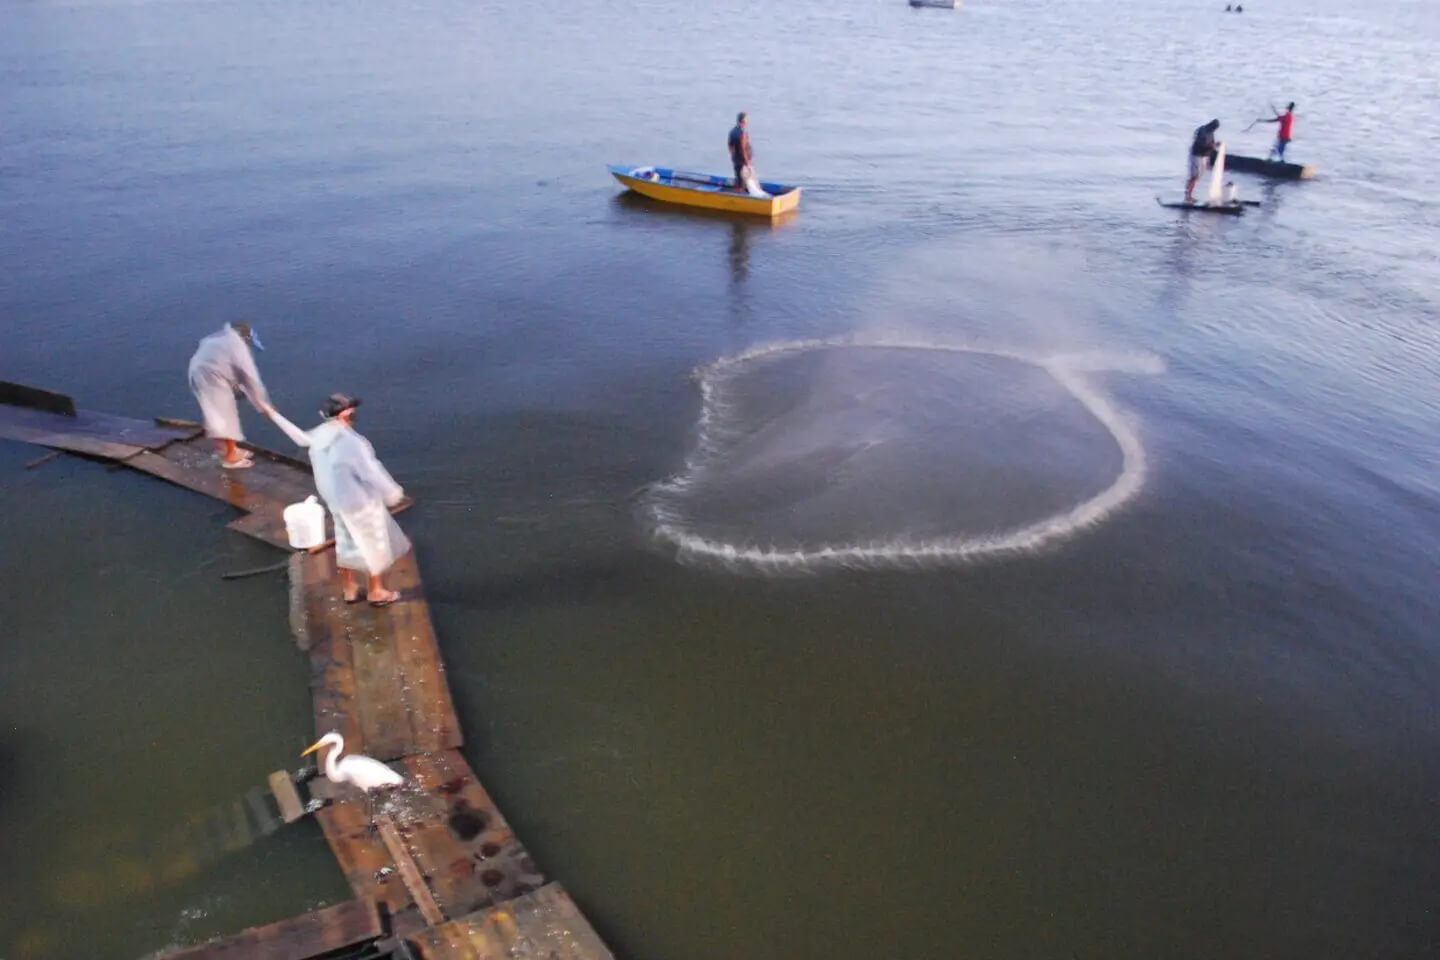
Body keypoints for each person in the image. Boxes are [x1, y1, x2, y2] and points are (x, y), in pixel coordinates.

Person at [267, 394, 412, 606]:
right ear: (346, 415)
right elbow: (371, 472)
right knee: (374, 545)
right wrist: (393, 493)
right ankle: (376, 592)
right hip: (361, 504)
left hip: (336, 504)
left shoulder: (320, 435)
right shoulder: (353, 442)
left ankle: (350, 588)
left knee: (345, 543)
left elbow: (299, 438)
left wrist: (272, 414)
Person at [187, 320, 271, 469]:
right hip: (210, 378)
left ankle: (226, 449)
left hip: (200, 372)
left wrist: (238, 387)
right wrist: (264, 404)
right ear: (245, 338)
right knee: (225, 416)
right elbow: (251, 378)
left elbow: (227, 366)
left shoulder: (221, 338)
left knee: (219, 414)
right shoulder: (238, 347)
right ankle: (230, 458)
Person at [1185, 119, 1220, 204]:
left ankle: (1189, 195)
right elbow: (1203, 143)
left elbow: (1211, 143)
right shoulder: (1202, 130)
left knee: (1197, 177)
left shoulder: (1211, 132)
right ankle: (1188, 196)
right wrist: (1213, 145)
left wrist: (1208, 158)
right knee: (1194, 176)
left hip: (1204, 155)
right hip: (1196, 155)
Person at [728, 112, 753, 192]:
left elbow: (730, 145)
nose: (747, 121)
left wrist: (732, 155)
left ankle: (738, 190)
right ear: (743, 121)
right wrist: (746, 162)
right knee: (742, 180)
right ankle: (740, 195)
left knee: (738, 178)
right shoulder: (742, 133)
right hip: (742, 160)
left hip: (736, 159)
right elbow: (743, 149)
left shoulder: (732, 131)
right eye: (746, 119)